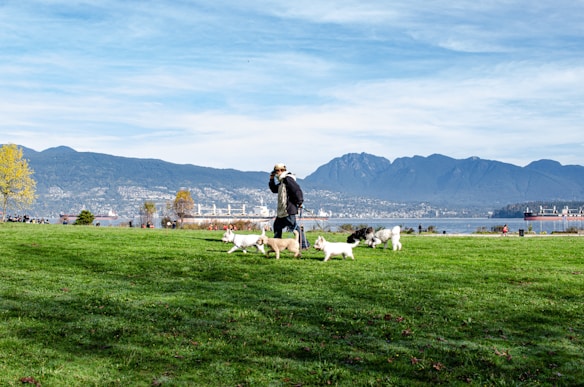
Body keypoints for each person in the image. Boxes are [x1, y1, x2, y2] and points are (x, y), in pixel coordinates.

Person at [268, 163, 304, 238]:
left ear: (281, 170)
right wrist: (271, 179)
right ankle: (277, 243)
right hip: (282, 210)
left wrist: (300, 202)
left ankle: (303, 244)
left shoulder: (288, 179)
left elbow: (297, 190)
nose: (277, 173)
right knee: (277, 226)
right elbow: (274, 189)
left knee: (293, 227)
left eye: (276, 171)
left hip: (288, 209)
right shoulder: (282, 181)